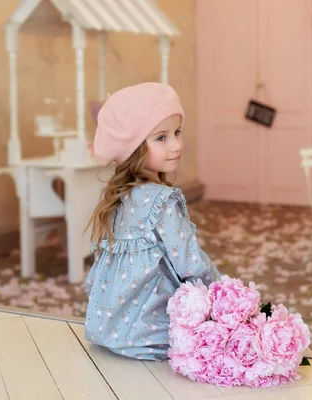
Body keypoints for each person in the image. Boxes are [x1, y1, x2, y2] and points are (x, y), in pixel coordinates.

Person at [84, 82, 221, 361]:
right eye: (161, 138)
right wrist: (224, 296)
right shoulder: (162, 200)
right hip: (148, 335)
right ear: (133, 147)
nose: (176, 145)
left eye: (177, 133)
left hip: (107, 329)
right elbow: (190, 262)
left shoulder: (120, 196)